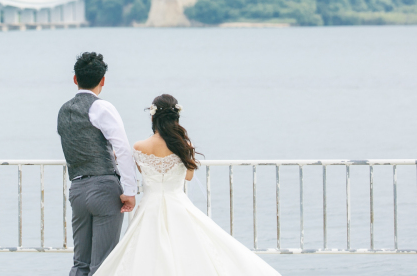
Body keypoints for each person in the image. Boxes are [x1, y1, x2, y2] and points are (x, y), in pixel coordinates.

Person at [94, 94, 282, 276]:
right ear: (176, 118)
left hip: (149, 207)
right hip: (178, 205)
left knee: (144, 253)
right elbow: (189, 176)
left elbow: (144, 173)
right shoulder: (184, 145)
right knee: (190, 251)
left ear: (153, 117)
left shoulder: (139, 146)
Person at [57, 52, 138, 276]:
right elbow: (122, 149)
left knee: (80, 263)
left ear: (75, 79)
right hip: (104, 189)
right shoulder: (102, 107)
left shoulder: (63, 111)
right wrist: (130, 190)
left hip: (77, 190)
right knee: (104, 265)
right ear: (102, 80)